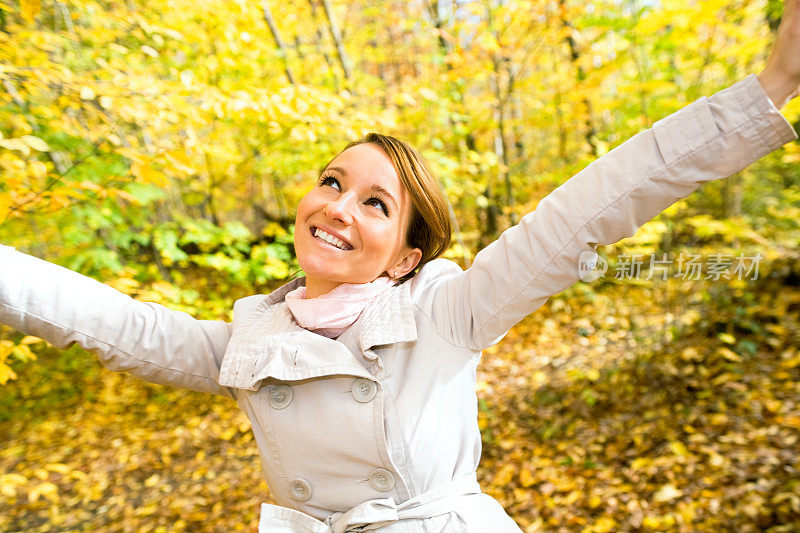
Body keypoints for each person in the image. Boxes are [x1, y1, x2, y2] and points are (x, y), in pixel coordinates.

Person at [2, 2, 799, 531]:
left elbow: (587, 207)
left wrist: (770, 90)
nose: (340, 207)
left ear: (407, 255)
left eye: (377, 204)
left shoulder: (447, 311)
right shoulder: (248, 340)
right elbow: (107, 320)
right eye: (332, 182)